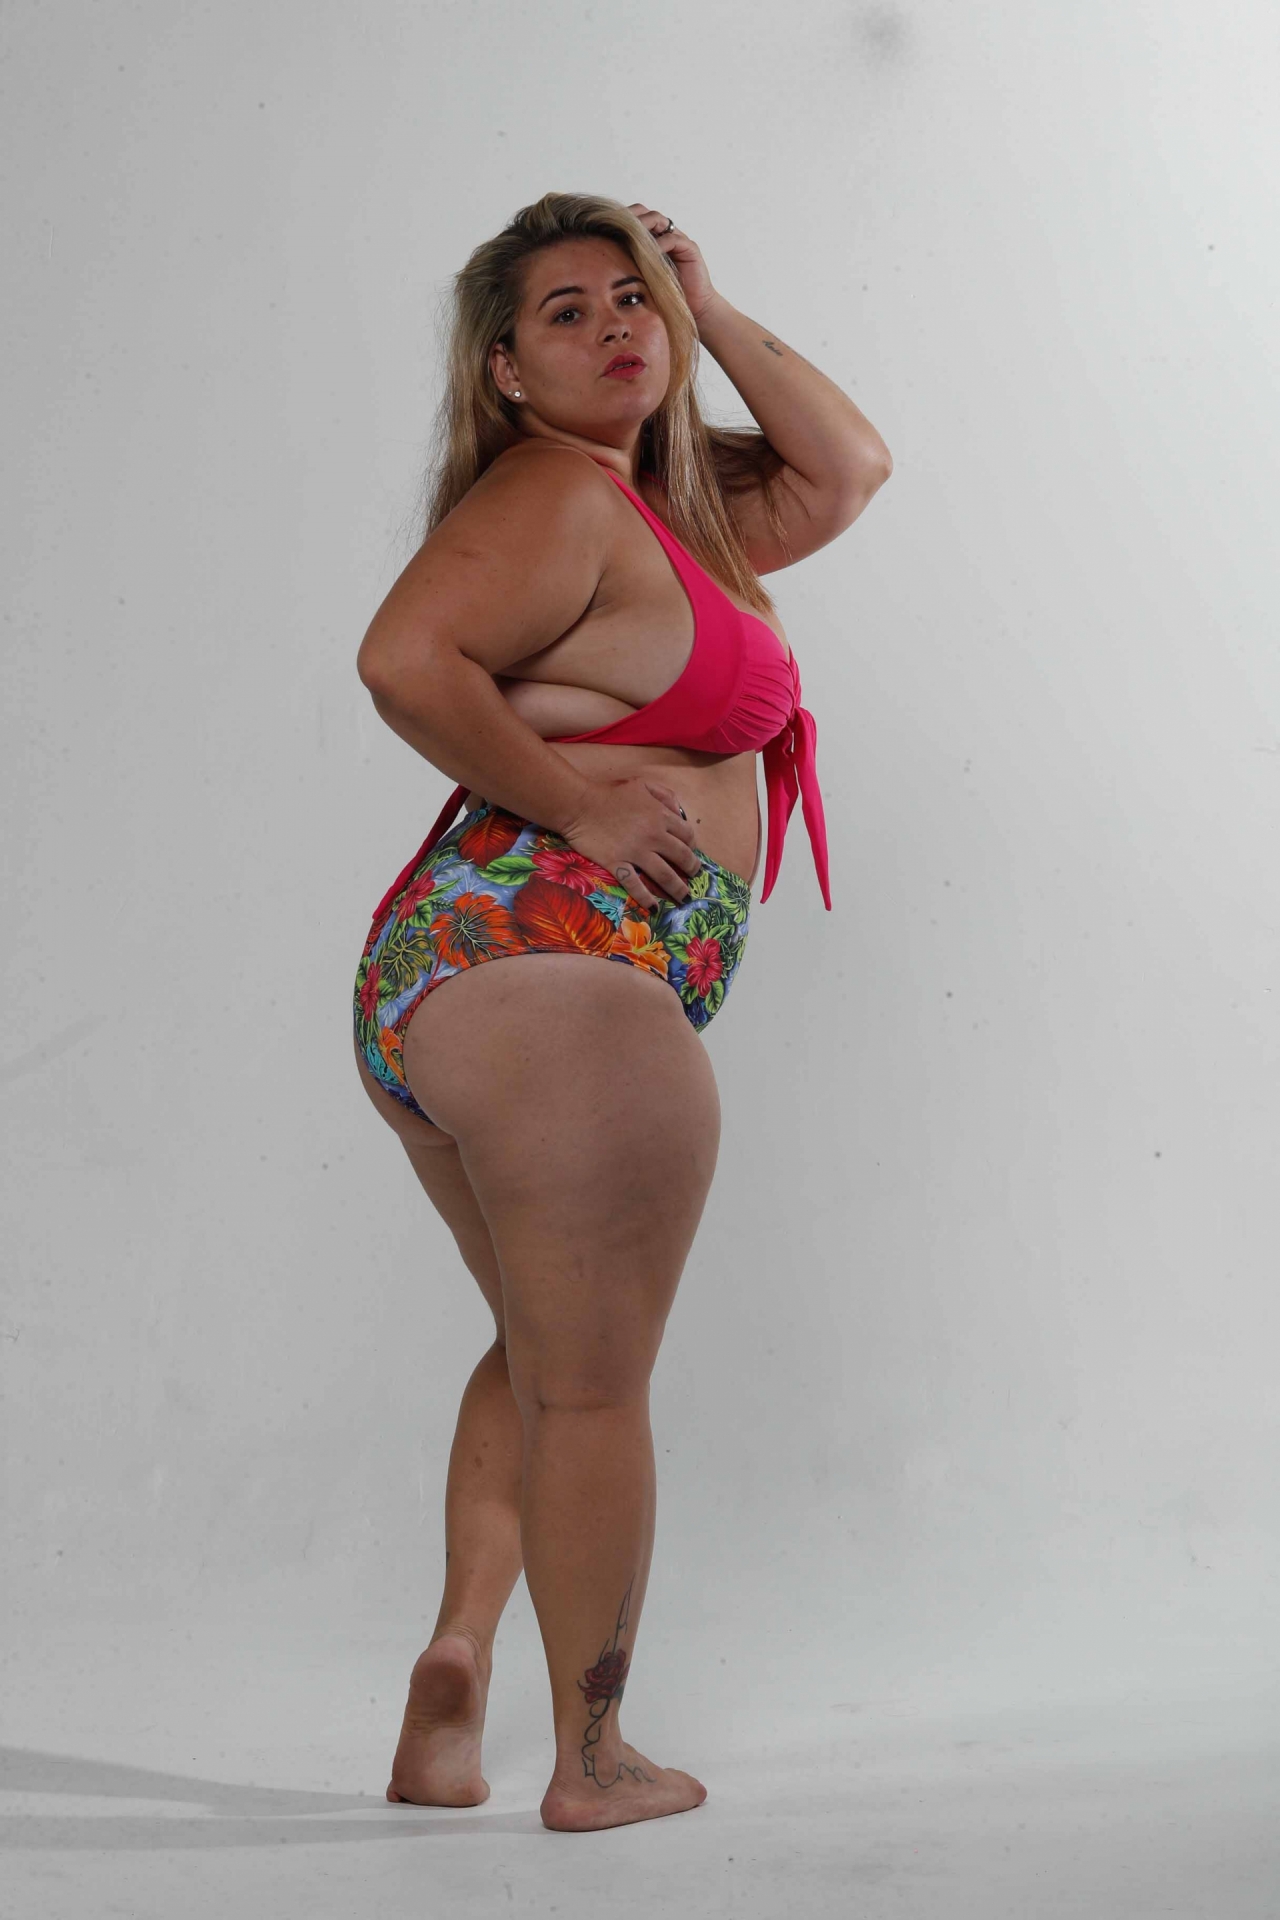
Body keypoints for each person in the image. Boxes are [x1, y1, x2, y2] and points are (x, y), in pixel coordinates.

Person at [351, 192, 892, 1833]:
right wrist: (586, 808)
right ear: (505, 371)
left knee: (544, 1351)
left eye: (630, 296)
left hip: (481, 986)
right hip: (557, 978)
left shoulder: (668, 517)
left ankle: (455, 1673)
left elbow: (846, 470)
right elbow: (404, 659)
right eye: (566, 311)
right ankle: (594, 1764)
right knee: (592, 1391)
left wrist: (707, 299)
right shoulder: (554, 494)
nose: (613, 325)